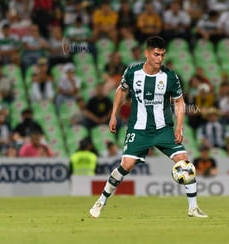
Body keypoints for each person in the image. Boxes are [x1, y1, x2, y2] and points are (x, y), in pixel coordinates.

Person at [89, 36, 208, 218]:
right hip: (139, 129)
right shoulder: (132, 72)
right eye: (156, 54)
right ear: (146, 53)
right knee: (126, 165)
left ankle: (193, 208)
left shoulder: (169, 76)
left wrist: (179, 126)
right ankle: (100, 202)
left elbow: (179, 102)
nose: (160, 59)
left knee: (184, 161)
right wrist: (113, 114)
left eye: (162, 55)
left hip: (163, 129)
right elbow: (121, 90)